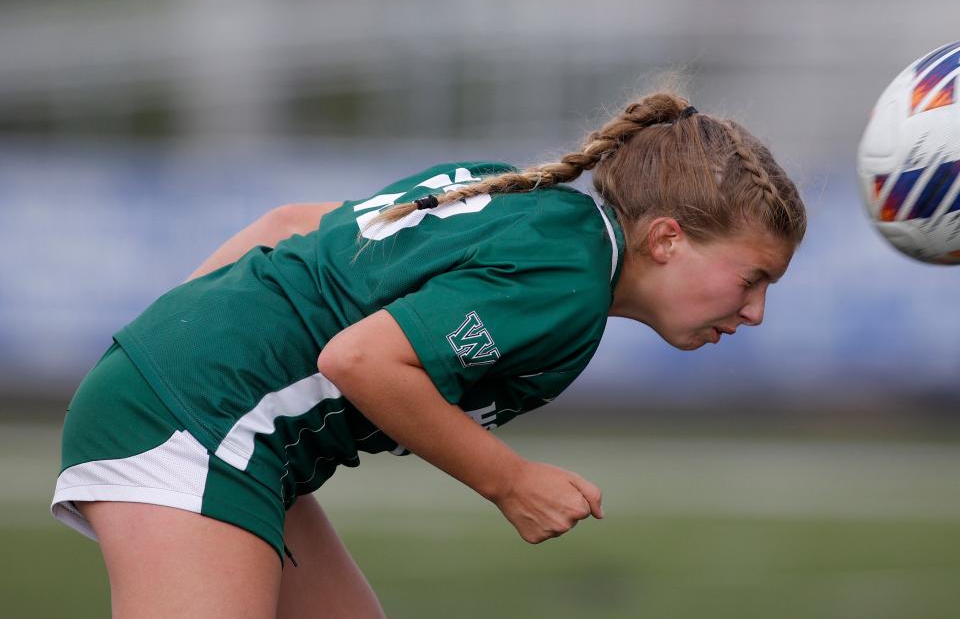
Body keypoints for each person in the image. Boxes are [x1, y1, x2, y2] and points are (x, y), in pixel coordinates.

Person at [51, 92, 806, 618]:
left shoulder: (529, 202)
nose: (756, 310)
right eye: (752, 277)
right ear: (667, 238)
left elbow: (286, 224)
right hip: (201, 423)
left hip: (220, 421)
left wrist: (164, 347)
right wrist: (510, 481)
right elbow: (363, 361)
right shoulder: (568, 280)